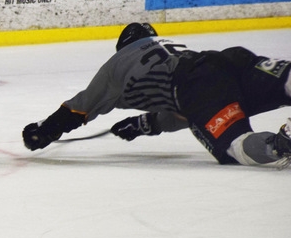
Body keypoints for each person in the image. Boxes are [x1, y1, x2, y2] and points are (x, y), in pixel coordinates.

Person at [22, 22, 291, 169]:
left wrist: (44, 131)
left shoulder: (116, 66)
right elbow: (187, 109)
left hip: (195, 84)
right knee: (283, 81)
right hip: (226, 59)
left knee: (235, 148)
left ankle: (281, 144)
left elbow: (77, 109)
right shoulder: (169, 47)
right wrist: (144, 124)